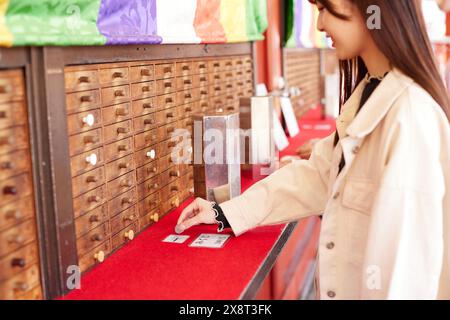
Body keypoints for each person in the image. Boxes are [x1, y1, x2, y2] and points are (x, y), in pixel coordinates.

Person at [176, 0, 450, 299]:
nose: (319, 25)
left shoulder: (409, 117)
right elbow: (318, 176)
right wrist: (223, 213)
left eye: (324, 8)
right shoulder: (372, 91)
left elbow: (404, 278)